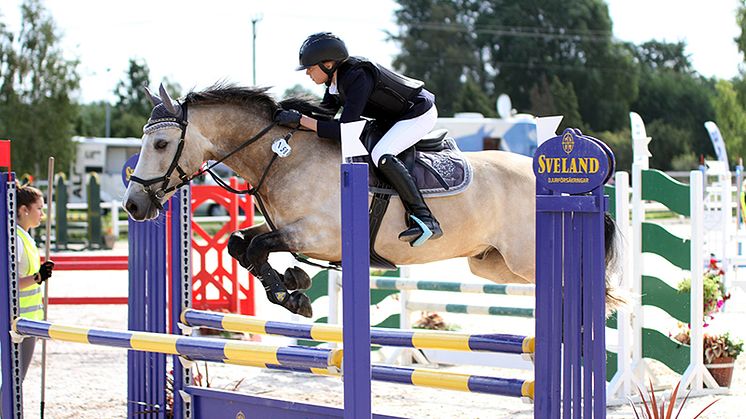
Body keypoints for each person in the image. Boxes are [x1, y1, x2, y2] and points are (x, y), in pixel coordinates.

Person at [276, 32, 443, 246]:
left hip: (418, 113)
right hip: (393, 118)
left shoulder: (357, 76)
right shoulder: (335, 83)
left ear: (328, 64)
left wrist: (300, 120)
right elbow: (324, 117)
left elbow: (345, 131)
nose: (307, 72)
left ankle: (425, 218)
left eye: (310, 67)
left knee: (381, 154)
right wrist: (291, 115)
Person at [14, 182, 54, 381]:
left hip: (28, 320)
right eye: (39, 208)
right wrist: (38, 277)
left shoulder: (25, 236)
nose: (42, 214)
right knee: (14, 380)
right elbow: (9, 283)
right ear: (23, 209)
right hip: (18, 321)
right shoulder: (16, 239)